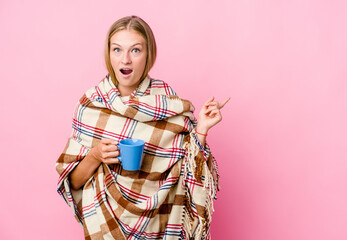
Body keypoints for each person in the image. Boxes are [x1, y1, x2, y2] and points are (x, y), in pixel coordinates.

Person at [56, 15, 230, 240]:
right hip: (106, 227)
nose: (125, 59)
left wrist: (203, 128)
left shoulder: (166, 100)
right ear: (109, 54)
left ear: (149, 55)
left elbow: (189, 167)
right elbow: (74, 182)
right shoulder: (91, 104)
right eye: (117, 50)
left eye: (135, 50)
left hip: (160, 226)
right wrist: (95, 155)